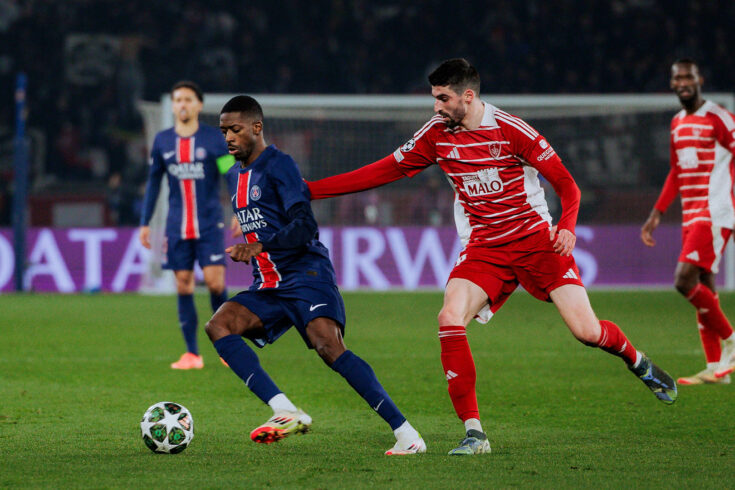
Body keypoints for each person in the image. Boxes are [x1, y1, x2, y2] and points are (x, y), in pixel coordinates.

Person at [307, 58, 678, 456]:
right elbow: (382, 171)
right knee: (449, 317)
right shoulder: (435, 134)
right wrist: (309, 191)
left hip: (536, 242)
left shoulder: (512, 130)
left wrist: (567, 226)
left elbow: (568, 186)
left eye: (443, 98)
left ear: (467, 96)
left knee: (586, 332)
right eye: (434, 98)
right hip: (485, 247)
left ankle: (637, 360)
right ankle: (475, 433)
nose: (436, 107)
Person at [206, 95, 425, 455]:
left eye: (235, 129)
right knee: (219, 325)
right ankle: (284, 410)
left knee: (329, 347)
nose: (228, 137)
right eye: (223, 131)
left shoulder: (280, 165)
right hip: (269, 284)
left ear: (256, 127)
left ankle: (406, 433)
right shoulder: (233, 175)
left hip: (305, 273)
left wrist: (259, 245)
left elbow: (305, 224)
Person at [641, 58, 735, 384]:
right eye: (677, 78)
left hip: (715, 211)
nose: (683, 83)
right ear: (672, 83)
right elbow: (676, 171)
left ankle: (732, 341)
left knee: (683, 281)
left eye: (688, 77)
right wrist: (657, 213)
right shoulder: (677, 123)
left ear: (699, 80)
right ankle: (716, 368)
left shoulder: (719, 118)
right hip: (691, 214)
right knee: (704, 288)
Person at [139, 81, 233, 369]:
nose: (182, 104)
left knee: (215, 282)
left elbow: (231, 175)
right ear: (173, 105)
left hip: (209, 223)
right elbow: (154, 182)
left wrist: (239, 210)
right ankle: (192, 354)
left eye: (188, 99)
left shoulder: (214, 140)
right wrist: (145, 222)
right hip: (177, 225)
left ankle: (228, 347)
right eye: (178, 99)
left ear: (198, 105)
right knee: (183, 283)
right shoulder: (163, 141)